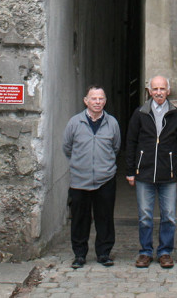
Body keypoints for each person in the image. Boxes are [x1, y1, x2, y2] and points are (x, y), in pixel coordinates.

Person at [126, 75, 177, 269]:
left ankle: (165, 251)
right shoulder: (140, 113)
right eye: (155, 89)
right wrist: (130, 170)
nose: (159, 92)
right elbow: (131, 142)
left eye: (162, 89)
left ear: (168, 91)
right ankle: (145, 251)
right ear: (149, 91)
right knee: (145, 215)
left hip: (168, 174)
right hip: (144, 172)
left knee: (168, 215)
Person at [62, 85, 122, 268]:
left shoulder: (112, 123)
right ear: (86, 101)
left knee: (105, 218)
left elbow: (116, 147)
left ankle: (104, 253)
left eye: (101, 99)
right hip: (80, 180)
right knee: (80, 219)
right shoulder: (75, 122)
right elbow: (67, 147)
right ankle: (79, 254)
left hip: (105, 179)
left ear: (105, 101)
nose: (98, 102)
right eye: (94, 99)